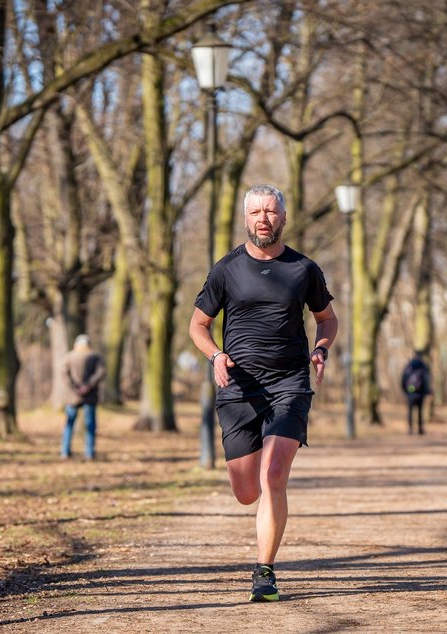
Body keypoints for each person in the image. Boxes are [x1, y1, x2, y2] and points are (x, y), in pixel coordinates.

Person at [188, 184, 338, 603]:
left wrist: (321, 348)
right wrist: (216, 355)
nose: (263, 219)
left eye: (270, 212)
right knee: (246, 491)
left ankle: (265, 571)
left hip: (289, 383)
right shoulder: (226, 270)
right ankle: (257, 522)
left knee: (273, 474)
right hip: (238, 387)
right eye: (256, 212)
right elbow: (197, 326)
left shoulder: (304, 269)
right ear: (246, 218)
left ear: (283, 218)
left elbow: (327, 319)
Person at [61, 334, 104, 460]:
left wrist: (74, 387)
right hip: (90, 396)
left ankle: (65, 451)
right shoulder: (95, 357)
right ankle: (89, 452)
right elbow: (101, 372)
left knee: (69, 423)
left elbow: (64, 374)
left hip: (72, 396)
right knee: (90, 424)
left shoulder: (69, 357)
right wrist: (88, 385)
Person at [401, 350, 431, 434]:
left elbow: (403, 379)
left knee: (410, 411)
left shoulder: (408, 366)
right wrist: (427, 391)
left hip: (410, 392)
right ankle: (420, 429)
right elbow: (426, 380)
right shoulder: (423, 366)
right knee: (420, 411)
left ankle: (410, 429)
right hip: (420, 393)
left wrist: (405, 390)